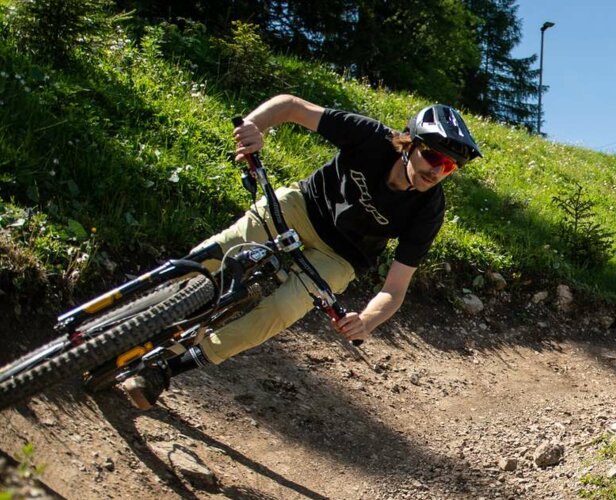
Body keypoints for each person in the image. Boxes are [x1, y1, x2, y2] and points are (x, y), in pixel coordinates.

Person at [121, 95, 482, 410]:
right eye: (432, 156)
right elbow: (292, 106)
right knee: (216, 251)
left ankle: (165, 370)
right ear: (409, 143)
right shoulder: (371, 137)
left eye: (449, 166)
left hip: (341, 257)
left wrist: (367, 320)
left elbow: (395, 288)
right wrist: (254, 127)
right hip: (301, 207)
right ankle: (138, 308)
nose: (436, 170)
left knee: (281, 310)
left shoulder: (429, 211)